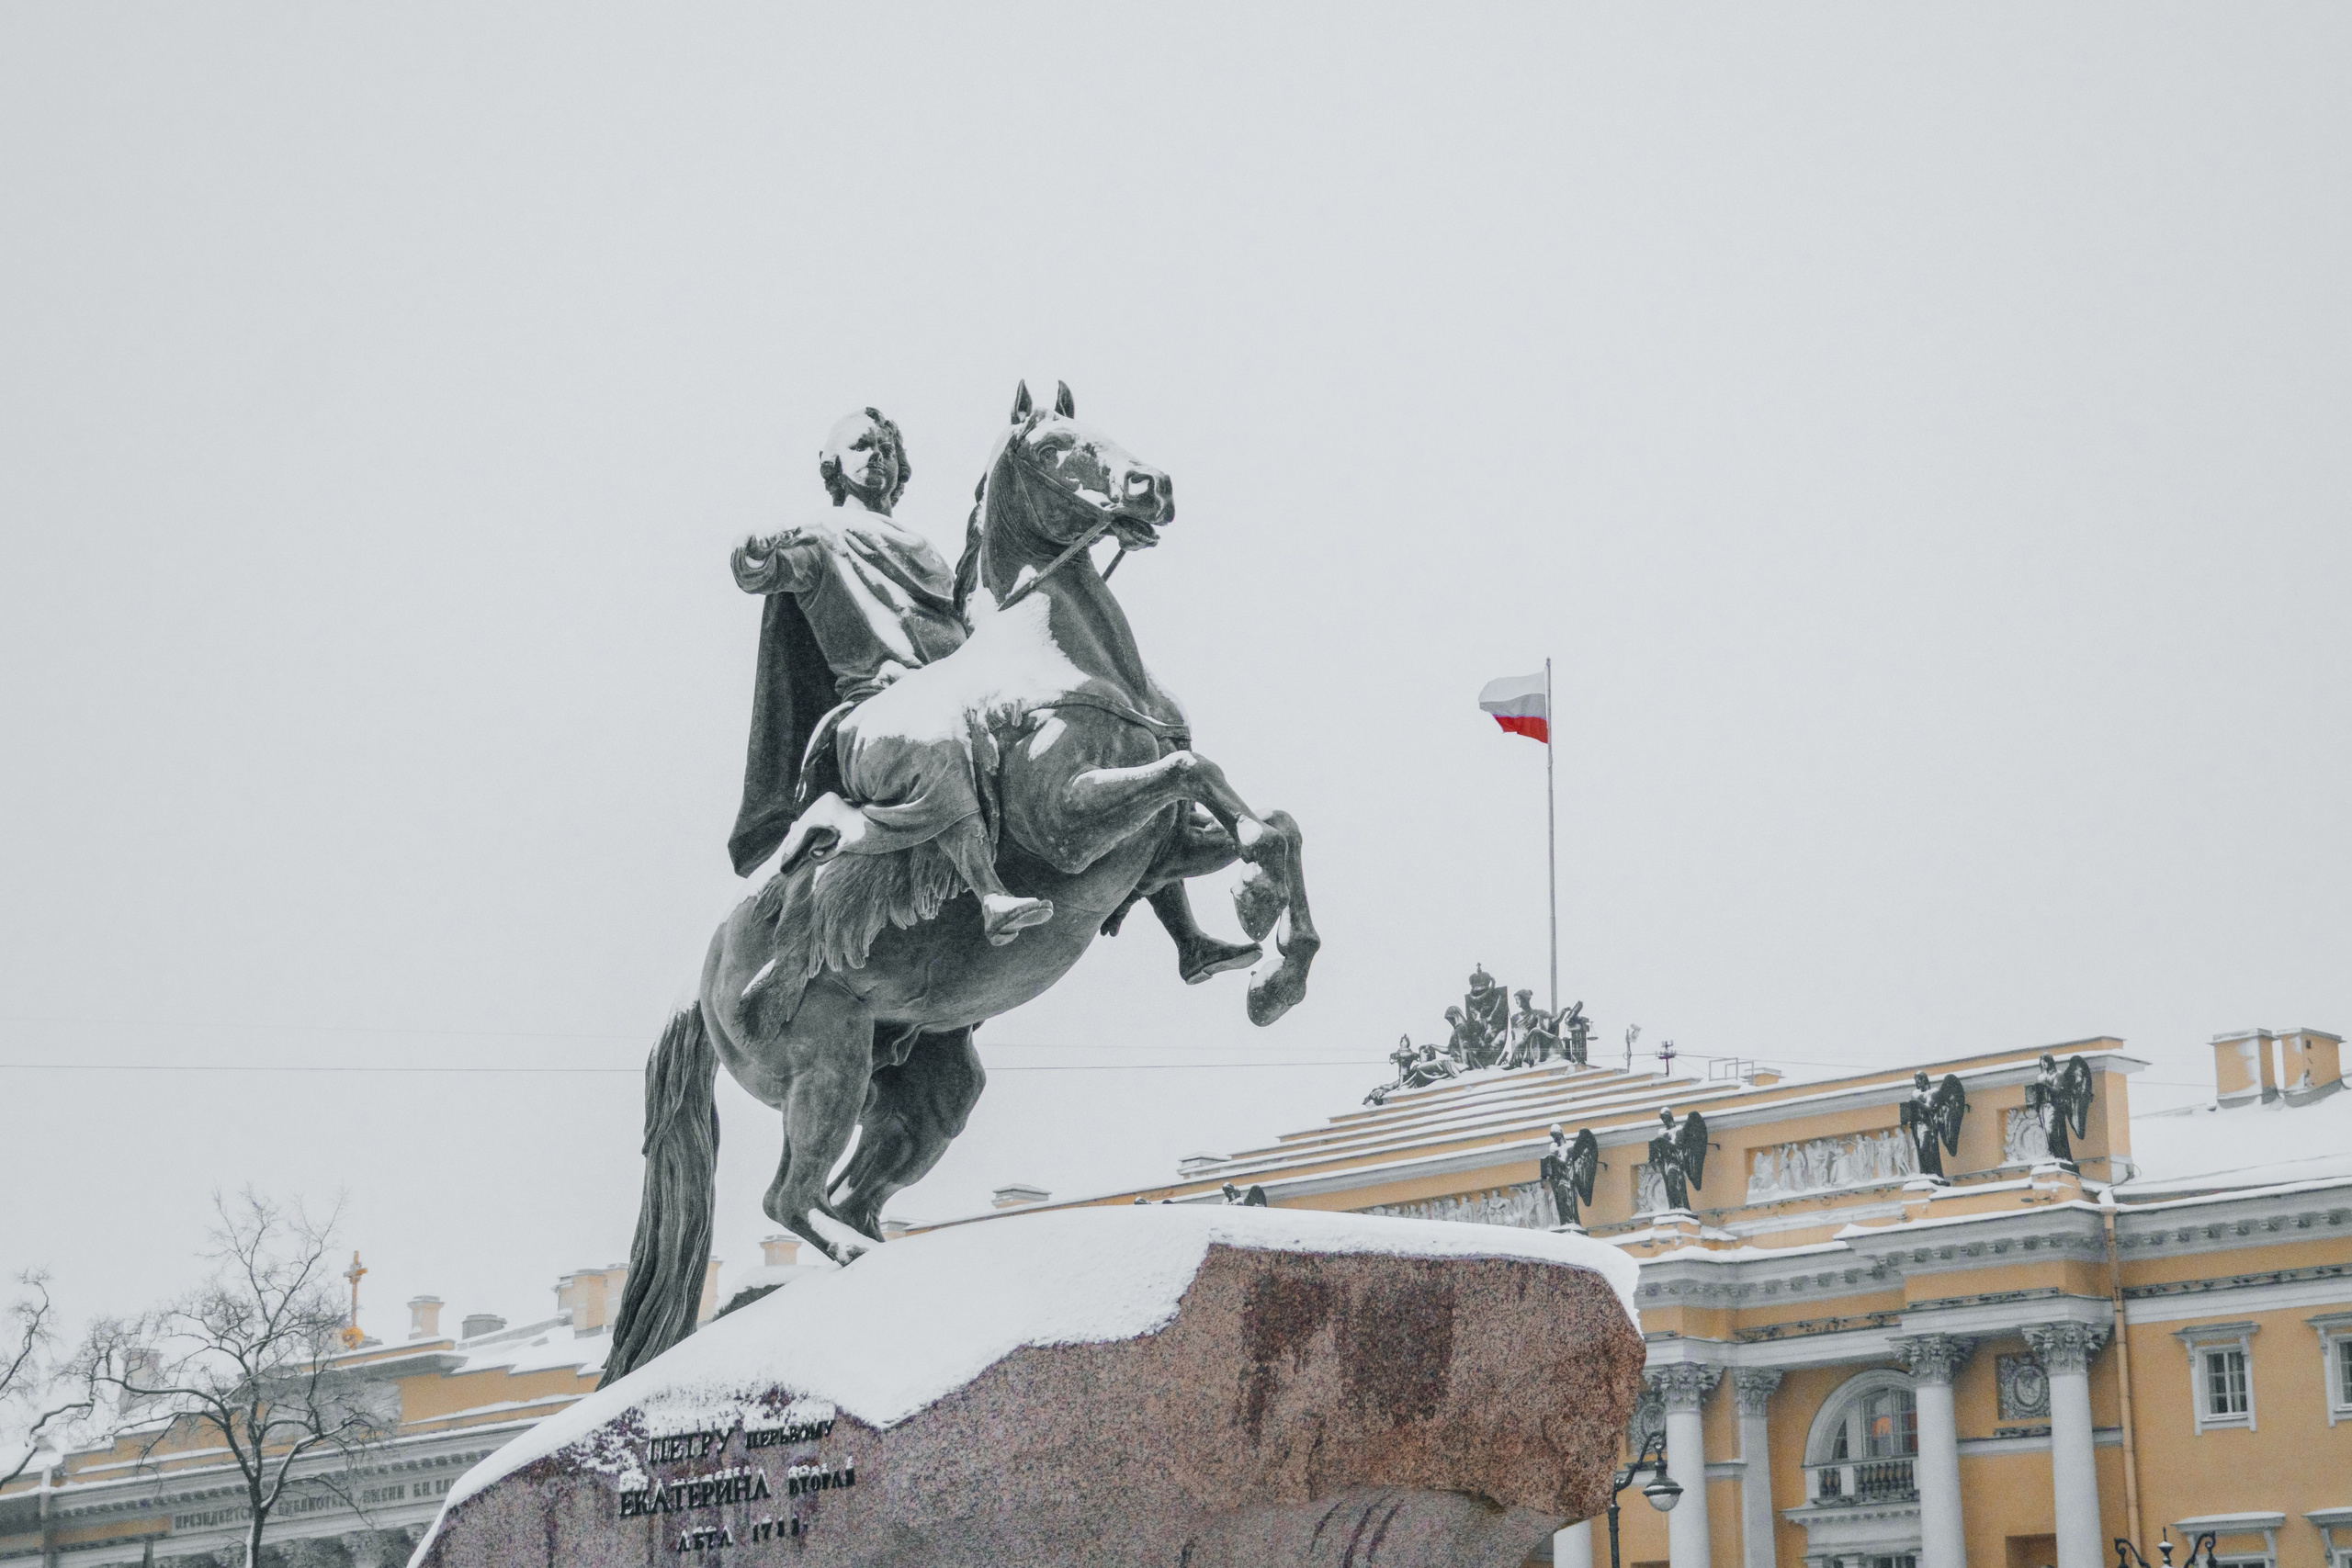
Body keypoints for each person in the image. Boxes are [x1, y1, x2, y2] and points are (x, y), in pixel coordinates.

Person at [729, 408, 1053, 944]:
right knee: (935, 737)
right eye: (860, 445)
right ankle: (990, 893)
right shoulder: (820, 538)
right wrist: (753, 551)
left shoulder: (927, 551)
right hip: (876, 713)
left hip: (955, 697)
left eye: (887, 447)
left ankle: (1175, 906)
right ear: (832, 465)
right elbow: (762, 571)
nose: (877, 455)